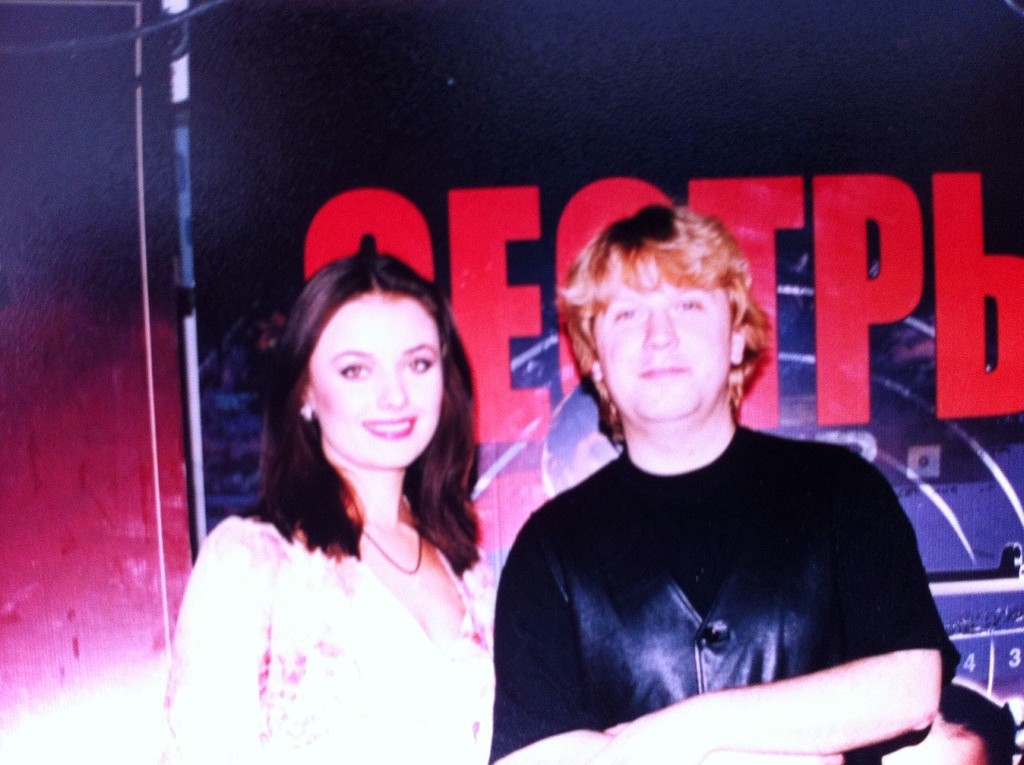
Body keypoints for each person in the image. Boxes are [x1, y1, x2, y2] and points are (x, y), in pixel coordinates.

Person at [490, 204, 962, 765]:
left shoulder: (842, 489)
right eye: (627, 314)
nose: (659, 336)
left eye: (688, 304)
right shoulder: (550, 547)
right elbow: (530, 759)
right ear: (595, 362)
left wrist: (692, 729)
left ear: (736, 338)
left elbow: (909, 687)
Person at [163, 240, 494, 764]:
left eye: (418, 363)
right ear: (305, 392)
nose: (394, 396)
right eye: (356, 370)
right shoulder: (253, 560)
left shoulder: (470, 572)